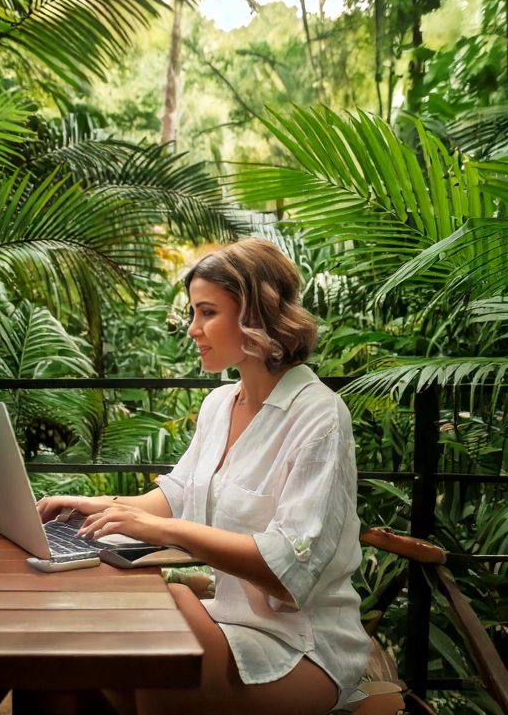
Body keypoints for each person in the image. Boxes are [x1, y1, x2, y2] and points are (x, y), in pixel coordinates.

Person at [37, 238, 370, 715]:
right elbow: (177, 496)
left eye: (207, 312)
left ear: (258, 313)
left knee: (158, 619)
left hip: (303, 648)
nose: (193, 329)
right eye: (194, 312)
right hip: (228, 623)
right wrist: (104, 506)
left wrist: (160, 531)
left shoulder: (318, 415)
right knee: (62, 665)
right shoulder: (219, 405)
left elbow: (287, 570)